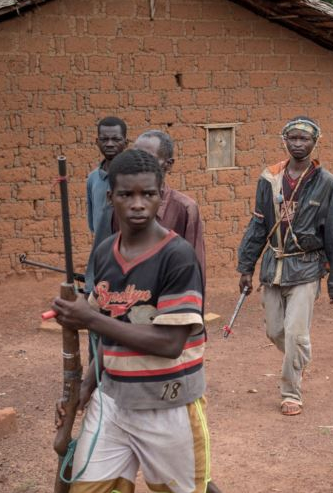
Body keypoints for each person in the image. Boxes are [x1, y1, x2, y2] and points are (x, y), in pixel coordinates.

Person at [51, 149, 212, 493]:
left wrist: (89, 318)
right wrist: (86, 385)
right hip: (112, 402)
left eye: (148, 194)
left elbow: (170, 344)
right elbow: (104, 336)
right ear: (110, 198)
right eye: (127, 195)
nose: (138, 204)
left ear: (160, 195)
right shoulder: (105, 252)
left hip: (168, 404)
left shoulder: (177, 256)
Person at [237, 117, 333, 416]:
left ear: (316, 142)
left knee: (296, 333)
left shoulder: (325, 182)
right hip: (274, 265)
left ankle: (291, 392)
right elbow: (258, 225)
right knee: (275, 332)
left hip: (306, 267)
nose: (298, 144)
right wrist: (246, 267)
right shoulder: (269, 178)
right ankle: (299, 357)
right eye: (293, 138)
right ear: (283, 140)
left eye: (305, 139)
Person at [133, 130, 206, 272]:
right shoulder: (121, 207)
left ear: (168, 164)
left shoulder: (185, 209)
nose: (140, 164)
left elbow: (195, 266)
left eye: (148, 158)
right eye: (136, 157)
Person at [85, 116, 128, 292]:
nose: (109, 144)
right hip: (102, 259)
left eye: (116, 139)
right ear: (97, 142)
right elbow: (93, 225)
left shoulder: (134, 177)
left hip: (129, 257)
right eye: (104, 139)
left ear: (125, 142)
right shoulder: (93, 178)